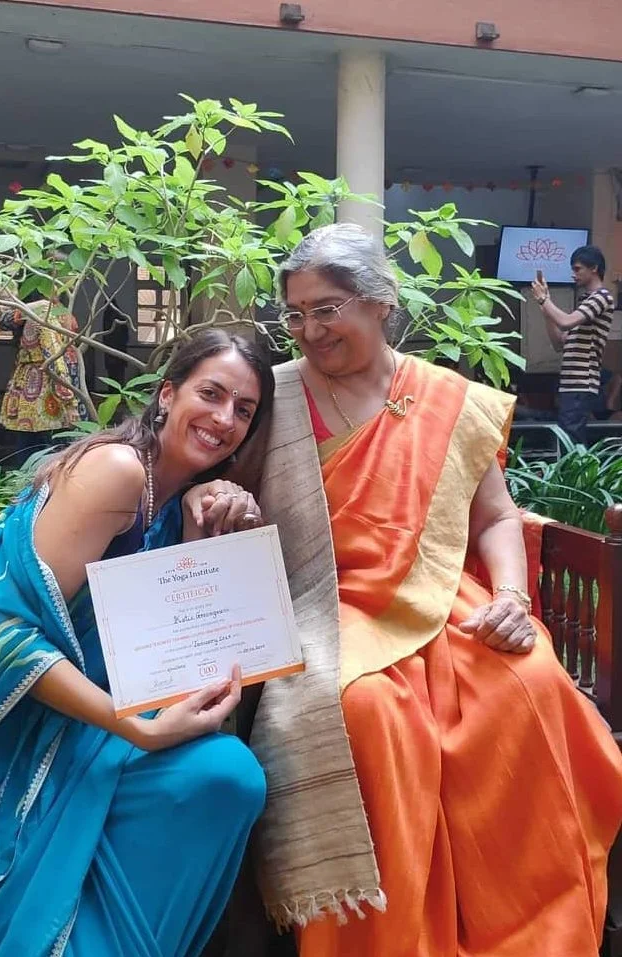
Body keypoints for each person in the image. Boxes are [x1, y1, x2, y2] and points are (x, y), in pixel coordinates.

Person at [230, 224, 622, 957]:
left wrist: (513, 596)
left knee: (529, 679)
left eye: (327, 308)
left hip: (442, 597)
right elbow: (216, 479)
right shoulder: (273, 398)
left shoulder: (447, 398)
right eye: (295, 314)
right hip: (324, 605)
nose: (308, 330)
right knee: (367, 712)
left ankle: (529, 924)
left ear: (381, 302)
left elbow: (497, 514)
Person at [0, 329, 273, 957]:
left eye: (243, 410)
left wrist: (205, 530)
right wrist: (134, 727)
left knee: (230, 777)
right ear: (165, 392)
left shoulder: (178, 498)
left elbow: (167, 649)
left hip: (108, 728)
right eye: (210, 394)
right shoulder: (118, 472)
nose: (224, 419)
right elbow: (8, 633)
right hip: (16, 732)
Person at [532, 245, 614, 445]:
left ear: (594, 267)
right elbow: (559, 343)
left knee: (572, 440)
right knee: (568, 437)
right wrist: (546, 308)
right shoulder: (586, 301)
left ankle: (578, 477)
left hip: (581, 382)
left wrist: (544, 300)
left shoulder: (602, 297)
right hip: (572, 384)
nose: (573, 274)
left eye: (577, 269)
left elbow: (566, 322)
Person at [0, 298, 90, 461]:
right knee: (53, 453)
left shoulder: (27, 312)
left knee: (26, 449)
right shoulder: (45, 312)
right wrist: (70, 402)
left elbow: (3, 322)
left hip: (25, 390)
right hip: (47, 395)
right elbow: (54, 357)